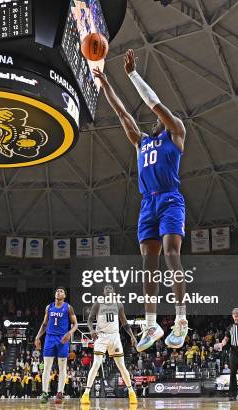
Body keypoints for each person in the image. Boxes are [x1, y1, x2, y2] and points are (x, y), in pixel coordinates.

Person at [93, 49, 188, 352]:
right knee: (149, 264)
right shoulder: (141, 142)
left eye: (164, 115)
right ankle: (151, 324)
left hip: (171, 200)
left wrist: (132, 74)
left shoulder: (176, 133)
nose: (160, 117)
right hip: (147, 204)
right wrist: (107, 85)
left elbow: (153, 103)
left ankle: (181, 320)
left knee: (172, 254)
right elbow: (122, 113)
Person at [80, 285, 138, 405]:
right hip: (101, 336)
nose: (107, 289)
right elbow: (90, 319)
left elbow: (124, 322)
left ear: (114, 291)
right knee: (96, 364)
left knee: (121, 366)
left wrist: (132, 335)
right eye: (105, 288)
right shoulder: (98, 303)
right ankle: (86, 395)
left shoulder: (119, 304)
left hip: (114, 336)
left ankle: (131, 392)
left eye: (110, 288)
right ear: (103, 292)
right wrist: (91, 330)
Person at [34, 287, 78, 404]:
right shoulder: (49, 307)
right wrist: (37, 337)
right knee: (47, 367)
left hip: (62, 339)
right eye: (57, 291)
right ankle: (44, 393)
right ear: (55, 294)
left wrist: (69, 333)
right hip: (49, 338)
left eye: (61, 291)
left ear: (65, 296)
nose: (59, 292)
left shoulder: (68, 307)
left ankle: (60, 393)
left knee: (62, 367)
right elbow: (44, 324)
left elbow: (75, 324)